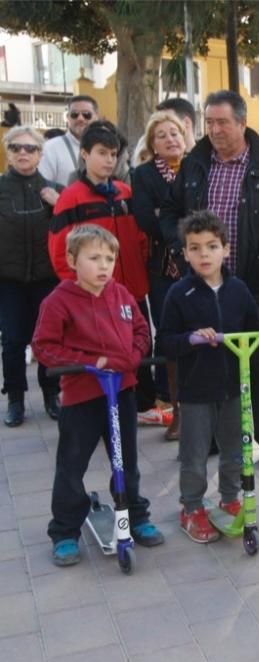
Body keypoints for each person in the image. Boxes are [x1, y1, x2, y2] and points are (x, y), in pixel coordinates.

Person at [160, 89, 259, 471]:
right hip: (203, 285)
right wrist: (179, 246)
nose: (215, 130)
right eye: (209, 122)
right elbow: (170, 210)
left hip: (256, 282)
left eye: (222, 122)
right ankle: (216, 440)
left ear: (242, 123)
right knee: (209, 362)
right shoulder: (195, 165)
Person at [32, 224, 164, 566]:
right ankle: (64, 531)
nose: (103, 265)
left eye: (109, 258)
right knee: (71, 465)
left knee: (127, 461)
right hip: (82, 396)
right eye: (94, 258)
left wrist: (133, 357)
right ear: (73, 260)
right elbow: (45, 347)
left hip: (121, 391)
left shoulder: (120, 294)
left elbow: (139, 331)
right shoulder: (58, 301)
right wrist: (87, 363)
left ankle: (135, 516)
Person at [158, 211, 259, 542]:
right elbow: (166, 341)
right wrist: (191, 338)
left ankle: (229, 500)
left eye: (211, 246)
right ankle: (192, 506)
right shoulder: (178, 294)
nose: (204, 255)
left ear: (226, 250)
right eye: (195, 248)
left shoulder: (238, 290)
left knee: (235, 451)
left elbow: (253, 327)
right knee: (194, 454)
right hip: (196, 390)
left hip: (233, 388)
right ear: (184, 253)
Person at [47, 120, 161, 422]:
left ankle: (141, 405)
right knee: (102, 350)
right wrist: (80, 290)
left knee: (140, 343)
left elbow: (140, 238)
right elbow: (60, 251)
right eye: (101, 153)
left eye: (113, 154)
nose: (109, 160)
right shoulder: (72, 198)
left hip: (132, 291)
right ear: (84, 154)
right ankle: (101, 412)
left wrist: (141, 276)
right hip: (94, 296)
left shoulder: (125, 193)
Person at [0, 126, 63, 426]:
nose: (22, 153)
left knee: (47, 339)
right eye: (15, 148)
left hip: (46, 278)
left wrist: (58, 204)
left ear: (40, 153)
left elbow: (71, 231)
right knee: (13, 341)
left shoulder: (53, 189)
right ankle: (15, 398)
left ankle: (51, 393)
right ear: (8, 152)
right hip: (8, 279)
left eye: (30, 148)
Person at [132, 110, 188, 440]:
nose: (170, 139)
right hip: (163, 268)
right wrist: (179, 221)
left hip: (198, 264)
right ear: (153, 144)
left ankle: (200, 408)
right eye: (161, 135)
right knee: (168, 333)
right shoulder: (143, 174)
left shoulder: (199, 167)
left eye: (175, 132)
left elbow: (206, 213)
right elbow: (145, 219)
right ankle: (173, 406)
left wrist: (165, 214)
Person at [38, 95, 99, 186]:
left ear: (96, 117)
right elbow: (42, 185)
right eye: (74, 114)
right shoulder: (51, 148)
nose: (80, 118)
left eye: (86, 114)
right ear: (68, 117)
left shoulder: (107, 147)